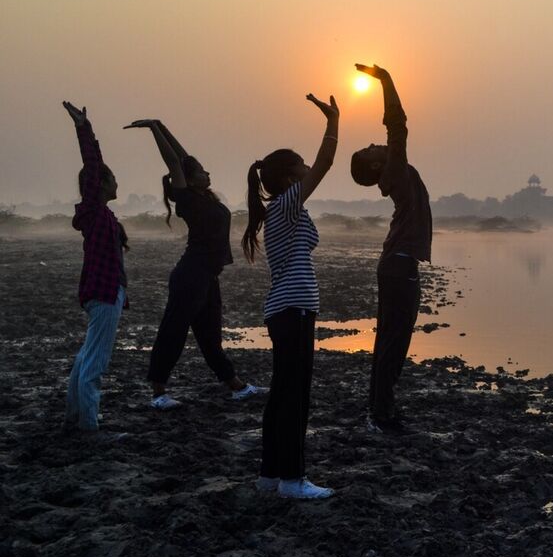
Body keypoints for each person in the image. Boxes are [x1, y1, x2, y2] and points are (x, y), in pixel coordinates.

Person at [125, 119, 265, 409]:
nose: (207, 172)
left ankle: (236, 385)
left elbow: (184, 158)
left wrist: (163, 125)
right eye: (202, 172)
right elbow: (176, 162)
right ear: (189, 179)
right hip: (191, 274)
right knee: (173, 331)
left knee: (210, 336)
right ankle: (158, 392)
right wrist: (153, 130)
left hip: (208, 276)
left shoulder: (203, 196)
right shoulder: (186, 198)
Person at [242, 92, 339, 500]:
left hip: (286, 309)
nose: (307, 169)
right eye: (299, 165)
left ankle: (270, 475)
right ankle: (294, 480)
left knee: (283, 392)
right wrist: (333, 122)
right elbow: (326, 163)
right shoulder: (286, 204)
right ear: (287, 177)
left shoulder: (281, 210)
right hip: (293, 309)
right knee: (295, 395)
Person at [350, 64, 432, 434]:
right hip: (398, 266)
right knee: (393, 344)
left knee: (391, 341)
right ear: (375, 163)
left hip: (399, 263)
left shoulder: (393, 172)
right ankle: (381, 413)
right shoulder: (395, 169)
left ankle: (380, 408)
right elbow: (398, 125)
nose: (376, 143)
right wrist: (385, 80)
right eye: (371, 148)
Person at [62, 101, 128, 435]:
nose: (118, 184)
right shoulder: (94, 210)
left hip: (103, 292)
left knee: (87, 356)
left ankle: (75, 418)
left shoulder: (102, 215)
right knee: (95, 361)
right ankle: (88, 425)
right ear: (101, 184)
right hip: (102, 293)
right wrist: (84, 129)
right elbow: (93, 165)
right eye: (112, 179)